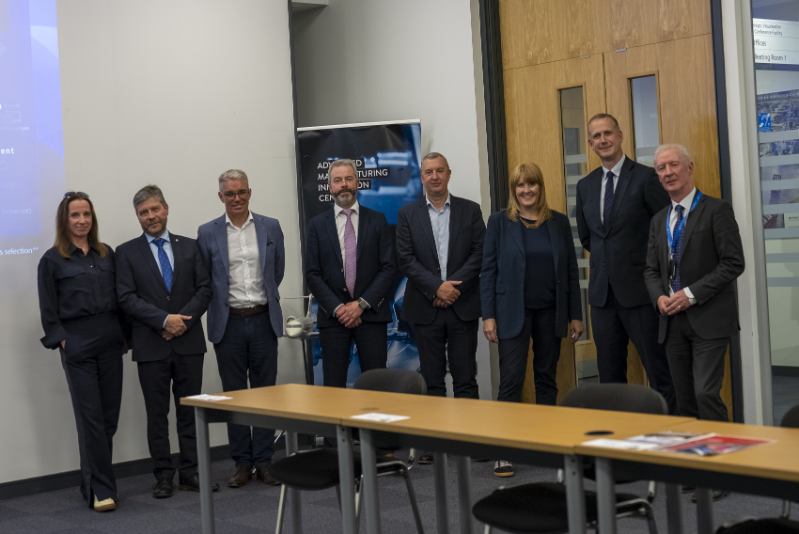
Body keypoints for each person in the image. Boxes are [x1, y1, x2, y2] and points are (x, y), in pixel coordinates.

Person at [481, 163, 584, 477]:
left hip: (551, 311)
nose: (527, 190)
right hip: (512, 312)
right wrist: (489, 316)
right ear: (514, 190)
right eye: (521, 185)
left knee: (546, 379)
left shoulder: (558, 222)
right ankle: (504, 450)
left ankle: (546, 444)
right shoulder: (499, 222)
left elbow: (570, 271)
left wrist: (576, 315)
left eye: (532, 184)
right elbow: (488, 272)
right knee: (511, 380)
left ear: (540, 187)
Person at [115, 185, 217, 499]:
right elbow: (126, 297)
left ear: (166, 208)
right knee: (157, 415)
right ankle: (163, 476)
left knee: (189, 412)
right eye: (143, 212)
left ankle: (190, 472)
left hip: (189, 343)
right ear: (138, 217)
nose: (150, 216)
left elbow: (205, 289)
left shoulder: (190, 246)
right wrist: (163, 320)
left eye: (154, 209)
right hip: (151, 345)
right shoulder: (126, 252)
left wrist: (180, 322)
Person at [575, 113, 677, 414]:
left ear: (620, 136)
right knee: (609, 380)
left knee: (660, 373)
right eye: (596, 136)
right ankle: (618, 439)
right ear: (590, 143)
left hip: (642, 294)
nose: (603, 140)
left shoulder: (646, 178)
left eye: (608, 133)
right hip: (602, 298)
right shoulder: (585, 185)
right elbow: (589, 238)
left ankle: (670, 434)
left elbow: (665, 233)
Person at [37, 192, 129, 512]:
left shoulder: (106, 254)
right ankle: (102, 490)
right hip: (78, 344)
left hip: (110, 341)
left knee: (109, 418)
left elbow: (121, 298)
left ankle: (91, 484)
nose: (81, 220)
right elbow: (48, 310)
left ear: (93, 218)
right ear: (65, 220)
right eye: (75, 215)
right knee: (91, 419)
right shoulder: (52, 260)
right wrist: (65, 341)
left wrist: (124, 337)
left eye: (86, 214)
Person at [396, 152, 485, 465]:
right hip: (425, 308)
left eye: (439, 171)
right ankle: (434, 442)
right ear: (421, 177)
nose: (434, 177)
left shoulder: (470, 210)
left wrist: (451, 289)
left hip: (461, 305)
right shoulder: (407, 214)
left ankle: (470, 439)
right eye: (428, 172)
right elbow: (405, 258)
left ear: (449, 173)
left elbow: (480, 253)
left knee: (465, 378)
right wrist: (436, 287)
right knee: (432, 380)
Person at [645, 144, 744, 422]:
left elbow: (733, 263)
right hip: (672, 322)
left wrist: (690, 294)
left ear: (689, 168)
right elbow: (651, 270)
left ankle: (724, 449)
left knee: (705, 394)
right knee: (685, 401)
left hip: (708, 319)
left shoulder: (717, 210)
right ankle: (695, 451)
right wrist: (659, 297)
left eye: (673, 164)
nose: (668, 172)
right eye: (661, 168)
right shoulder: (658, 220)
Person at [197, 170, 284, 488]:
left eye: (242, 192)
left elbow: (277, 270)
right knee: (234, 396)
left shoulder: (270, 226)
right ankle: (242, 463)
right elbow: (204, 278)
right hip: (228, 323)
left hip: (263, 320)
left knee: (264, 395)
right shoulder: (207, 232)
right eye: (230, 194)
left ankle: (264, 461)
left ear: (250, 192)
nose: (237, 198)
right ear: (220, 196)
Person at [305, 159, 395, 389]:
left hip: (371, 316)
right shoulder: (316, 225)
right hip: (333, 318)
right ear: (330, 186)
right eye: (337, 180)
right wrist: (338, 308)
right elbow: (312, 273)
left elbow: (388, 268)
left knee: (377, 387)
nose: (343, 184)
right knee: (334, 389)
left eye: (348, 179)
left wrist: (361, 305)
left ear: (357, 182)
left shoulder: (378, 220)